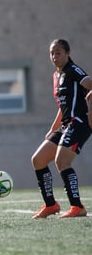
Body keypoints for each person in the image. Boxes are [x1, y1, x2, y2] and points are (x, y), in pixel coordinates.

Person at [31, 39, 92, 219]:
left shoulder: (73, 70)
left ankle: (77, 206)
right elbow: (63, 106)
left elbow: (90, 84)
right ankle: (51, 205)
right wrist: (53, 129)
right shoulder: (56, 76)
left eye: (58, 53)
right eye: (52, 53)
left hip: (79, 123)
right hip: (65, 124)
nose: (55, 57)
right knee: (38, 160)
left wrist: (90, 111)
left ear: (67, 53)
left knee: (62, 161)